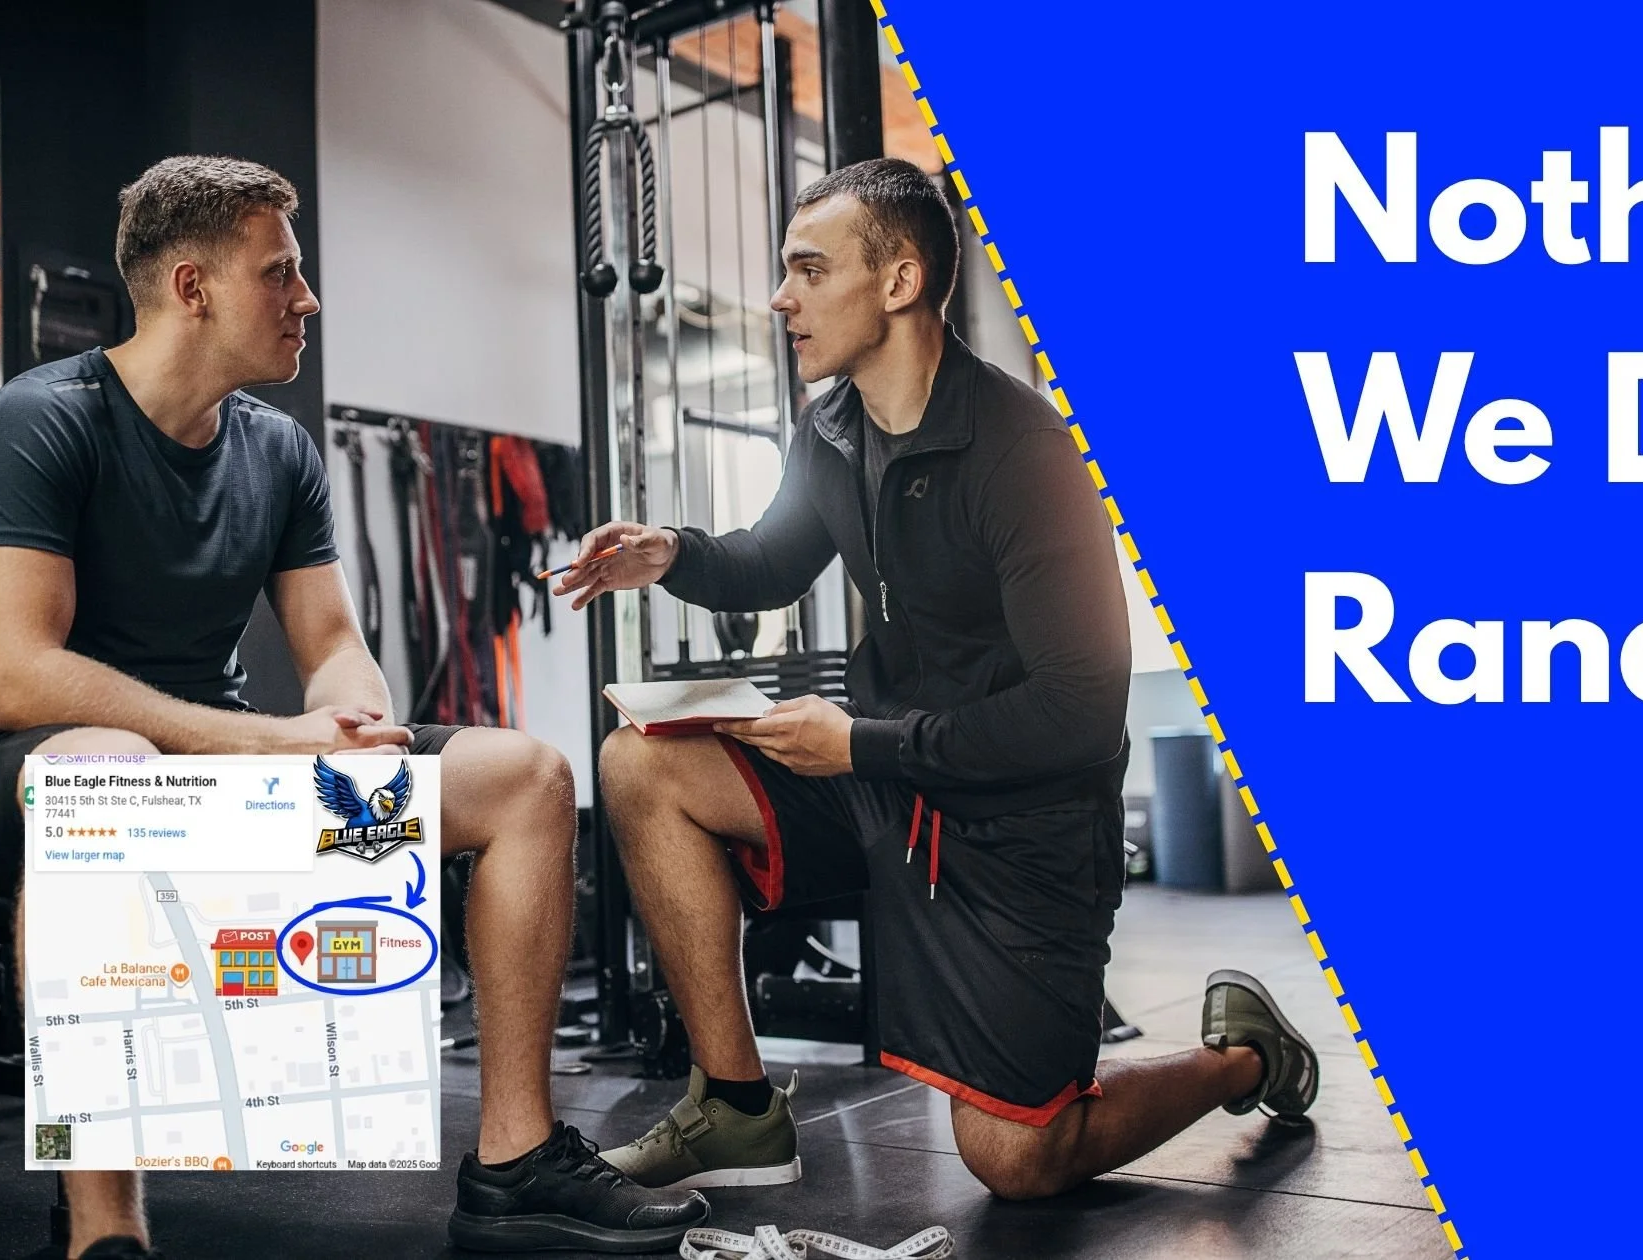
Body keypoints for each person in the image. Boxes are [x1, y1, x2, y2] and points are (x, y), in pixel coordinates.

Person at [0, 156, 707, 1259]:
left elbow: (334, 642)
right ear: (194, 287)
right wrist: (272, 741)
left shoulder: (278, 447)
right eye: (282, 273)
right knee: (101, 762)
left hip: (222, 762)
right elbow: (17, 674)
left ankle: (514, 1159)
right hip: (28, 779)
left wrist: (353, 718)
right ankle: (104, 1226)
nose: (306, 298)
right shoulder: (41, 420)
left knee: (525, 777)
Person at [560, 157, 1321, 1202]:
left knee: (1017, 1158)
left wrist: (859, 743)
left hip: (1019, 832)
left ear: (899, 282)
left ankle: (1244, 1058)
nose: (781, 296)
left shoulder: (1028, 453)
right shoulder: (829, 428)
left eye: (808, 269)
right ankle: (736, 1109)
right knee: (640, 769)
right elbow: (773, 558)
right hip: (876, 784)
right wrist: (671, 554)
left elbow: (1077, 709)